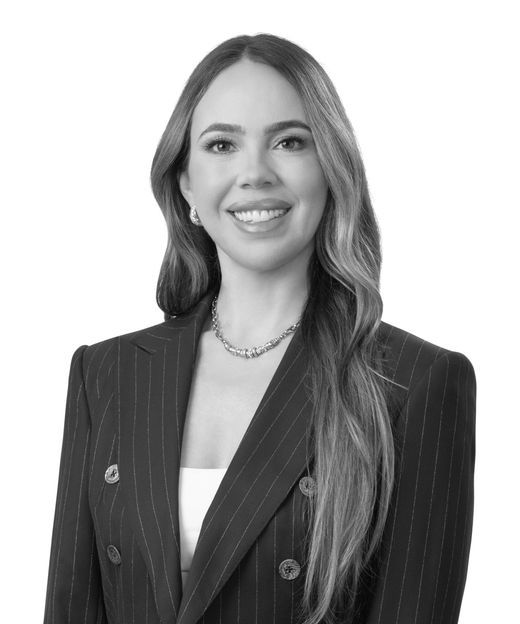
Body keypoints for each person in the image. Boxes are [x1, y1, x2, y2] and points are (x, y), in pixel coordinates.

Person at [42, 33, 477, 624]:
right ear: (186, 183)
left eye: (289, 142)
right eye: (222, 144)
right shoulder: (105, 373)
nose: (254, 173)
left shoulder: (415, 382)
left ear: (332, 170)